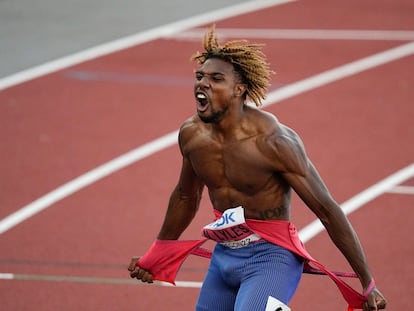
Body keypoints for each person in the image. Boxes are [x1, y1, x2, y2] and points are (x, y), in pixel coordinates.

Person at [128, 25, 387, 311]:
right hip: (224, 256)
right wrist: (157, 254)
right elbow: (186, 197)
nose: (203, 83)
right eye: (200, 76)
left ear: (239, 89)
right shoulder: (192, 135)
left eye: (216, 78)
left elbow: (326, 209)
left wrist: (367, 282)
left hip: (272, 258)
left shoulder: (274, 142)